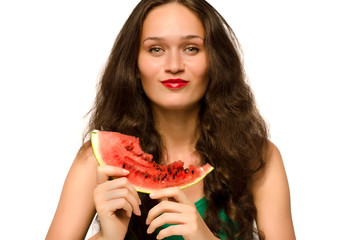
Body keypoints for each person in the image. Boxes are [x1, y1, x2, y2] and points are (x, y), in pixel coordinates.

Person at [46, 0, 295, 239]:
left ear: (215, 61)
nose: (174, 65)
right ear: (134, 64)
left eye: (191, 48)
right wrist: (108, 236)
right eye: (156, 49)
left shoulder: (258, 158)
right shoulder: (94, 162)